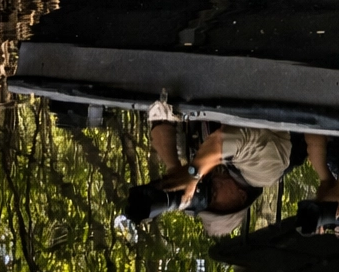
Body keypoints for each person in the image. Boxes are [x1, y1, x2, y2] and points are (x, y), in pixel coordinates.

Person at [123, 99, 291, 238]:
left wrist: (173, 170)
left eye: (206, 203)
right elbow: (230, 139)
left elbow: (160, 114)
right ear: (240, 198)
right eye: (215, 202)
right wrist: (193, 173)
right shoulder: (264, 174)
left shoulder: (201, 163)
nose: (210, 195)